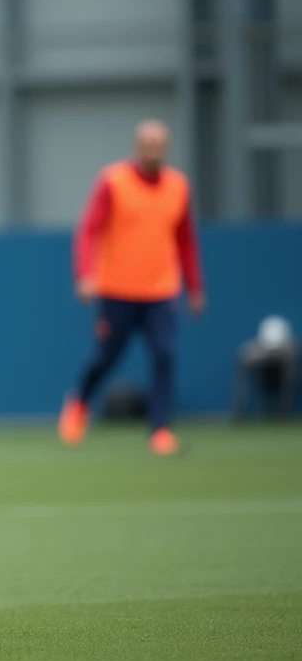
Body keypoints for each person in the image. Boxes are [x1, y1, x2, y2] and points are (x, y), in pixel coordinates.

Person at [58, 119, 205, 456]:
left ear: (166, 147)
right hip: (117, 290)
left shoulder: (178, 186)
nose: (153, 149)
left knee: (164, 355)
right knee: (106, 359)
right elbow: (89, 230)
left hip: (161, 290)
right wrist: (85, 274)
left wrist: (195, 287)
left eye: (159, 143)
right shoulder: (113, 181)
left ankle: (160, 430)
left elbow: (186, 242)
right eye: (147, 143)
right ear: (136, 146)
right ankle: (79, 402)